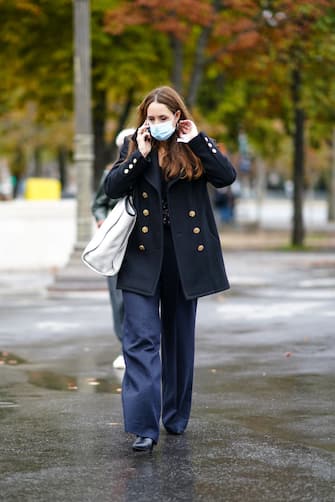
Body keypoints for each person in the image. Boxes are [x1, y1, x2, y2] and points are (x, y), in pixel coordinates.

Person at [104, 86, 236, 453]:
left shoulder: (193, 146)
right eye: (151, 118)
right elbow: (112, 186)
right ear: (144, 118)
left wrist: (198, 140)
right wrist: (139, 156)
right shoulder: (134, 145)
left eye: (164, 118)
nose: (157, 124)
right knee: (140, 339)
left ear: (178, 116)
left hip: (183, 257)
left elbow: (226, 177)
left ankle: (175, 415)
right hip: (142, 257)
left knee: (179, 339)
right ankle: (144, 427)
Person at [91, 128, 135, 370]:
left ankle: (144, 348)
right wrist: (102, 221)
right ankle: (124, 347)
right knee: (118, 299)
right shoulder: (110, 174)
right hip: (116, 244)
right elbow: (98, 204)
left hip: (141, 244)